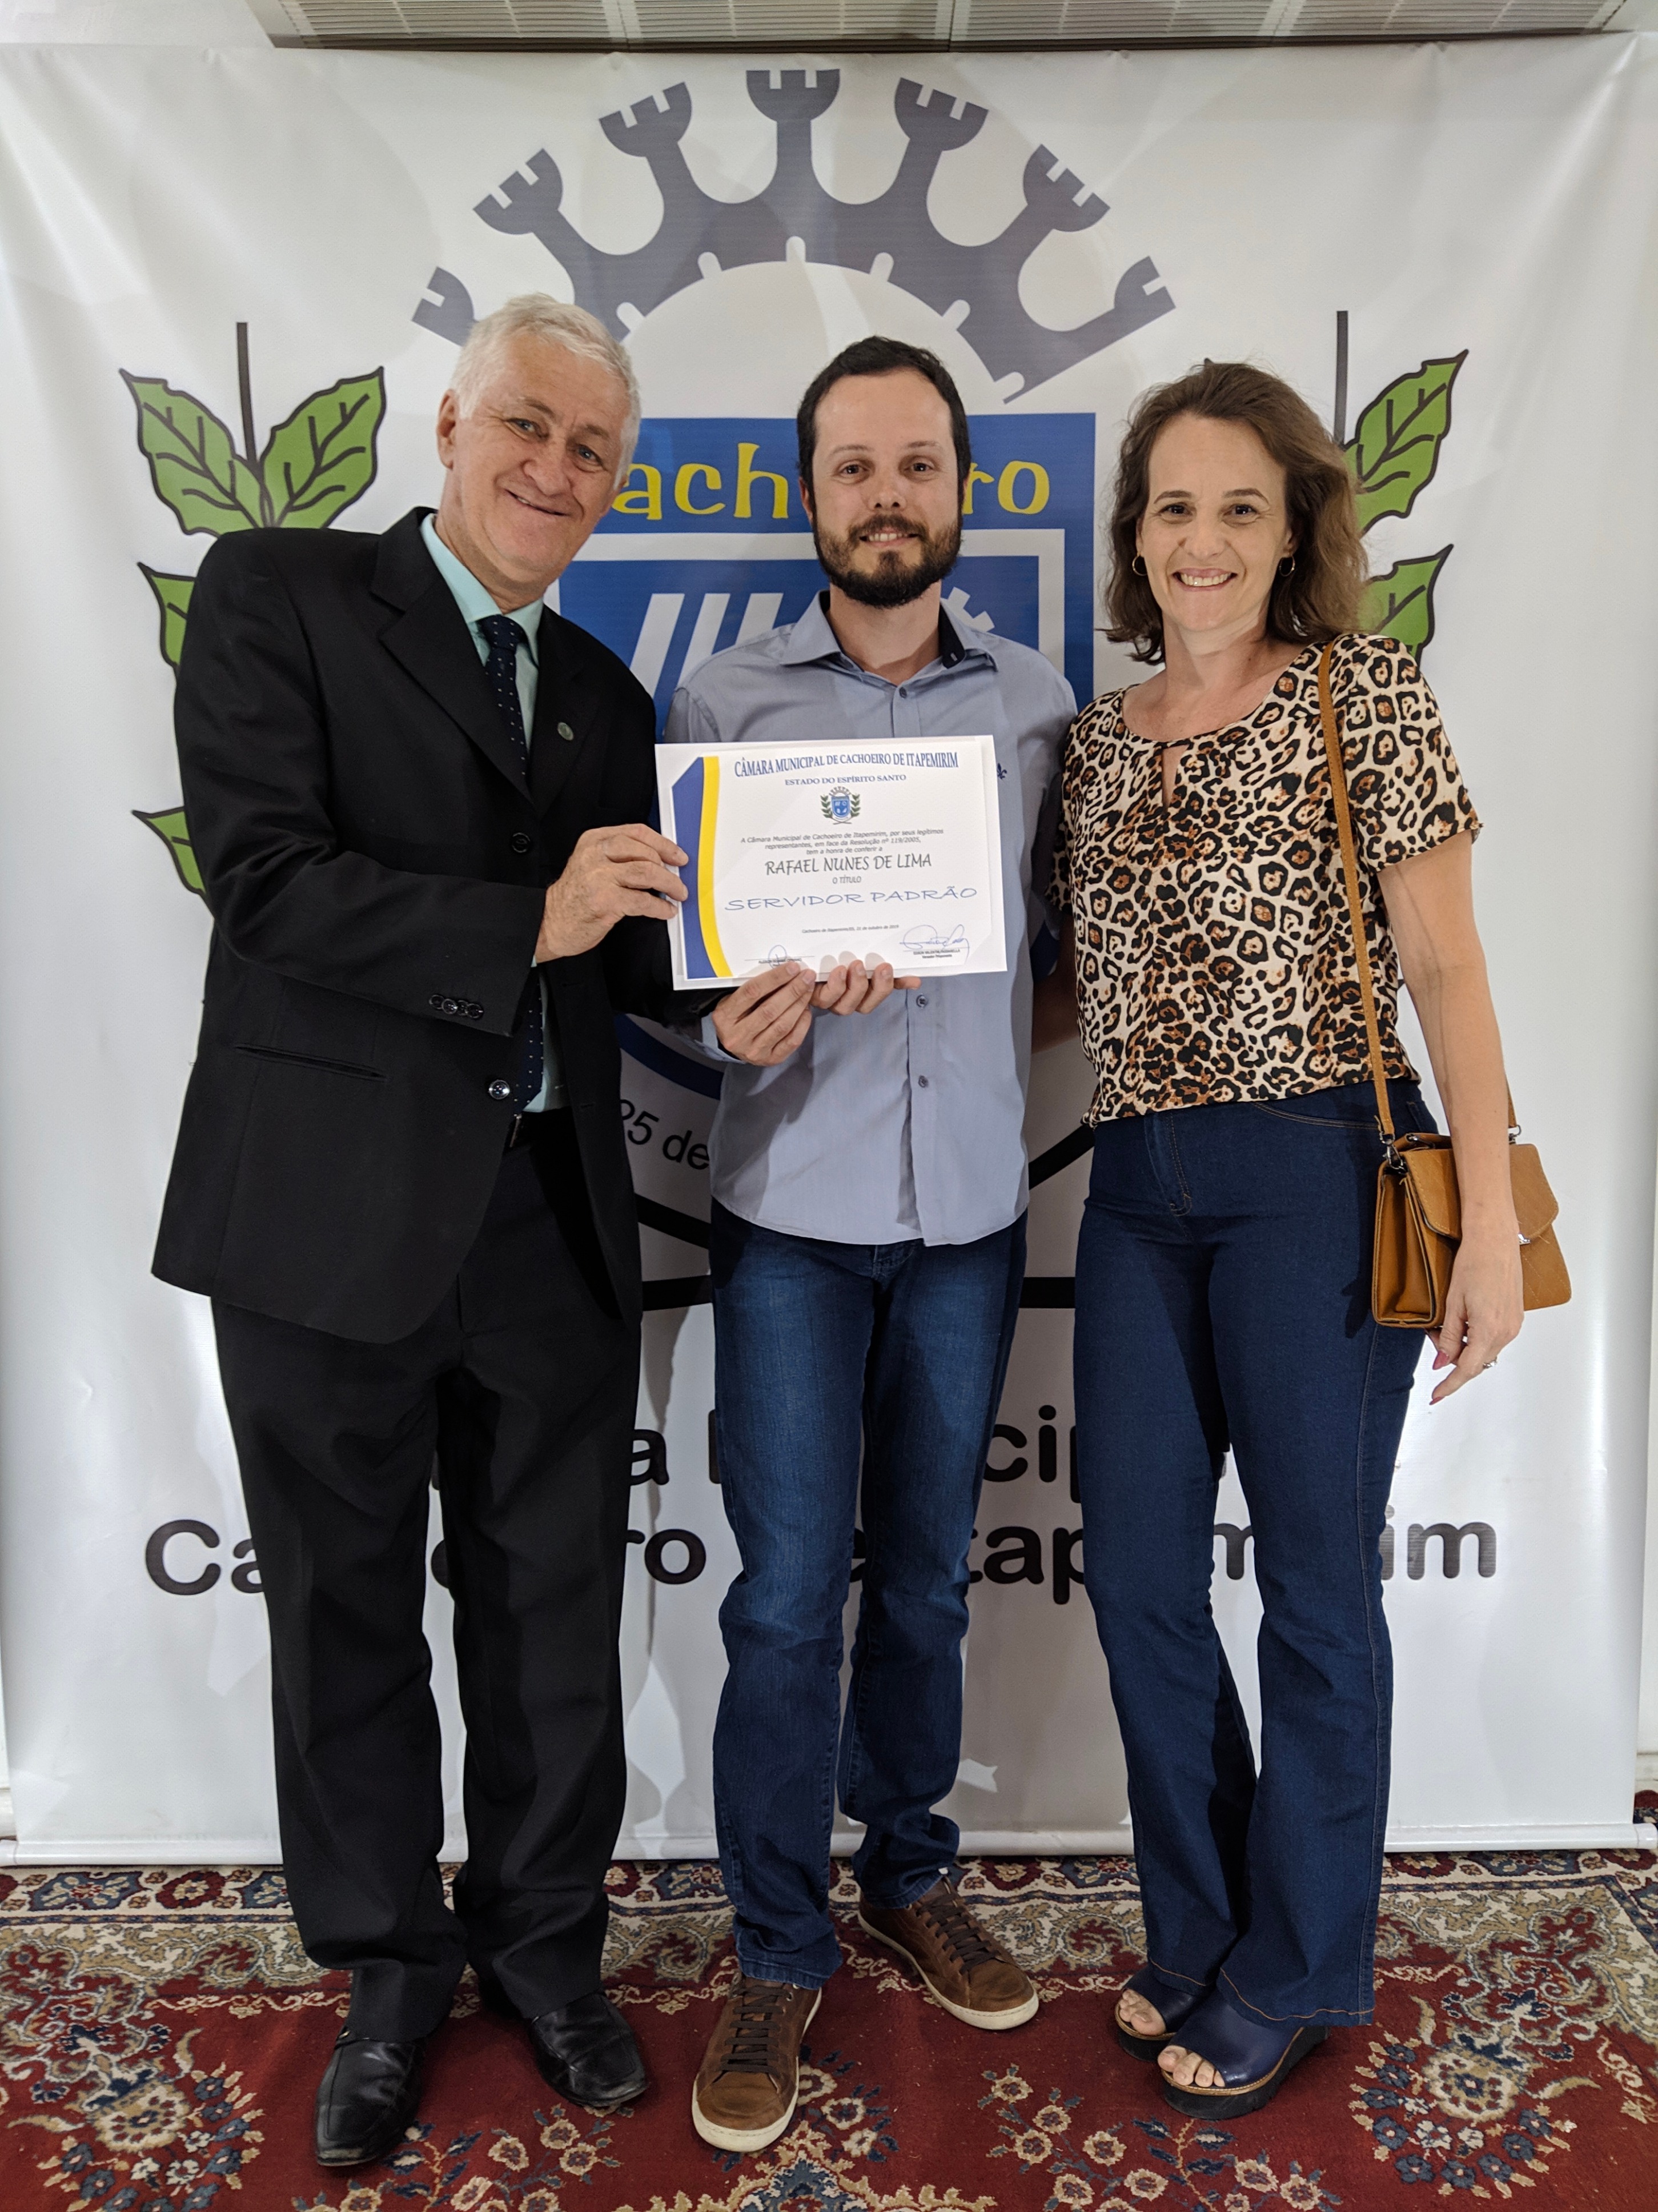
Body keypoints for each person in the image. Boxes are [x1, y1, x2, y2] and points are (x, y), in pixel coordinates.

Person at [152, 296, 700, 2167]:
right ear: (451, 423)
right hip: (325, 1223)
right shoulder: (279, 594)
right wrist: (528, 922)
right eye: (527, 425)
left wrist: (757, 998)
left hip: (548, 1226)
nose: (555, 468)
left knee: (553, 1626)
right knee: (345, 1617)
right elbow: (266, 880)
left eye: (592, 451)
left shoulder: (607, 690)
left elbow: (635, 958)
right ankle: (389, 1974)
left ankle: (547, 1952)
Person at [1034, 359, 1523, 2119]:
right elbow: (1070, 993)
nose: (1205, 539)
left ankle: (1302, 1963)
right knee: (1139, 1581)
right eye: (1175, 505)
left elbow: (1448, 965)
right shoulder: (1093, 746)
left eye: (1242, 506)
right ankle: (1205, 1928)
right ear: (1135, 535)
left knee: (1316, 1593)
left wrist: (1491, 1226)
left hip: (1319, 1169)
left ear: (1296, 527)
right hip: (1136, 1188)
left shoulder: (1359, 694)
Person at [665, 336, 1075, 2156]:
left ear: (964, 489)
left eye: (919, 464)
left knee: (922, 1581)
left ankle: (909, 1871)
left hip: (971, 1219)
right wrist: (724, 1022)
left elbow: (1059, 949)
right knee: (780, 1602)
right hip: (791, 1229)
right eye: (855, 467)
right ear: (811, 493)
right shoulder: (726, 700)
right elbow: (679, 967)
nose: (887, 496)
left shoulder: (1041, 704)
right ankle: (775, 1948)